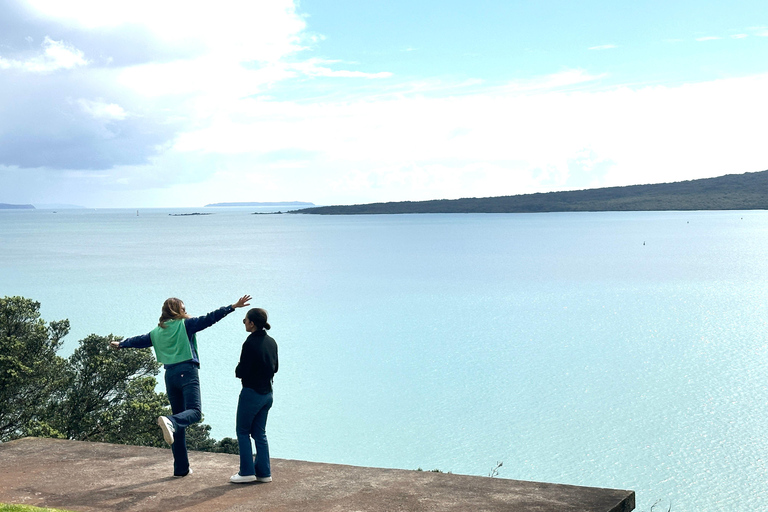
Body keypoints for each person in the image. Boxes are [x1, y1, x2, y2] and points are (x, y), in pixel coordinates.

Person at [111, 294, 252, 477]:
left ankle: (181, 468)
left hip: (170, 376)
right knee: (194, 412)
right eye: (183, 309)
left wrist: (122, 344)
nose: (186, 311)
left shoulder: (156, 332)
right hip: (187, 372)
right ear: (177, 311)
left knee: (177, 427)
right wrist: (232, 307)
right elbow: (209, 318)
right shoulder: (185, 325)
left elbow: (140, 340)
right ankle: (171, 421)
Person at [230, 307, 278, 484]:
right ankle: (264, 473)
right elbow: (276, 368)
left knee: (242, 431)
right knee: (260, 433)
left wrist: (239, 368)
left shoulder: (249, 343)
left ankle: (246, 472)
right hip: (268, 393)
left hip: (251, 393)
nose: (244, 323)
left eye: (245, 320)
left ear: (252, 323)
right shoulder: (272, 342)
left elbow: (241, 371)